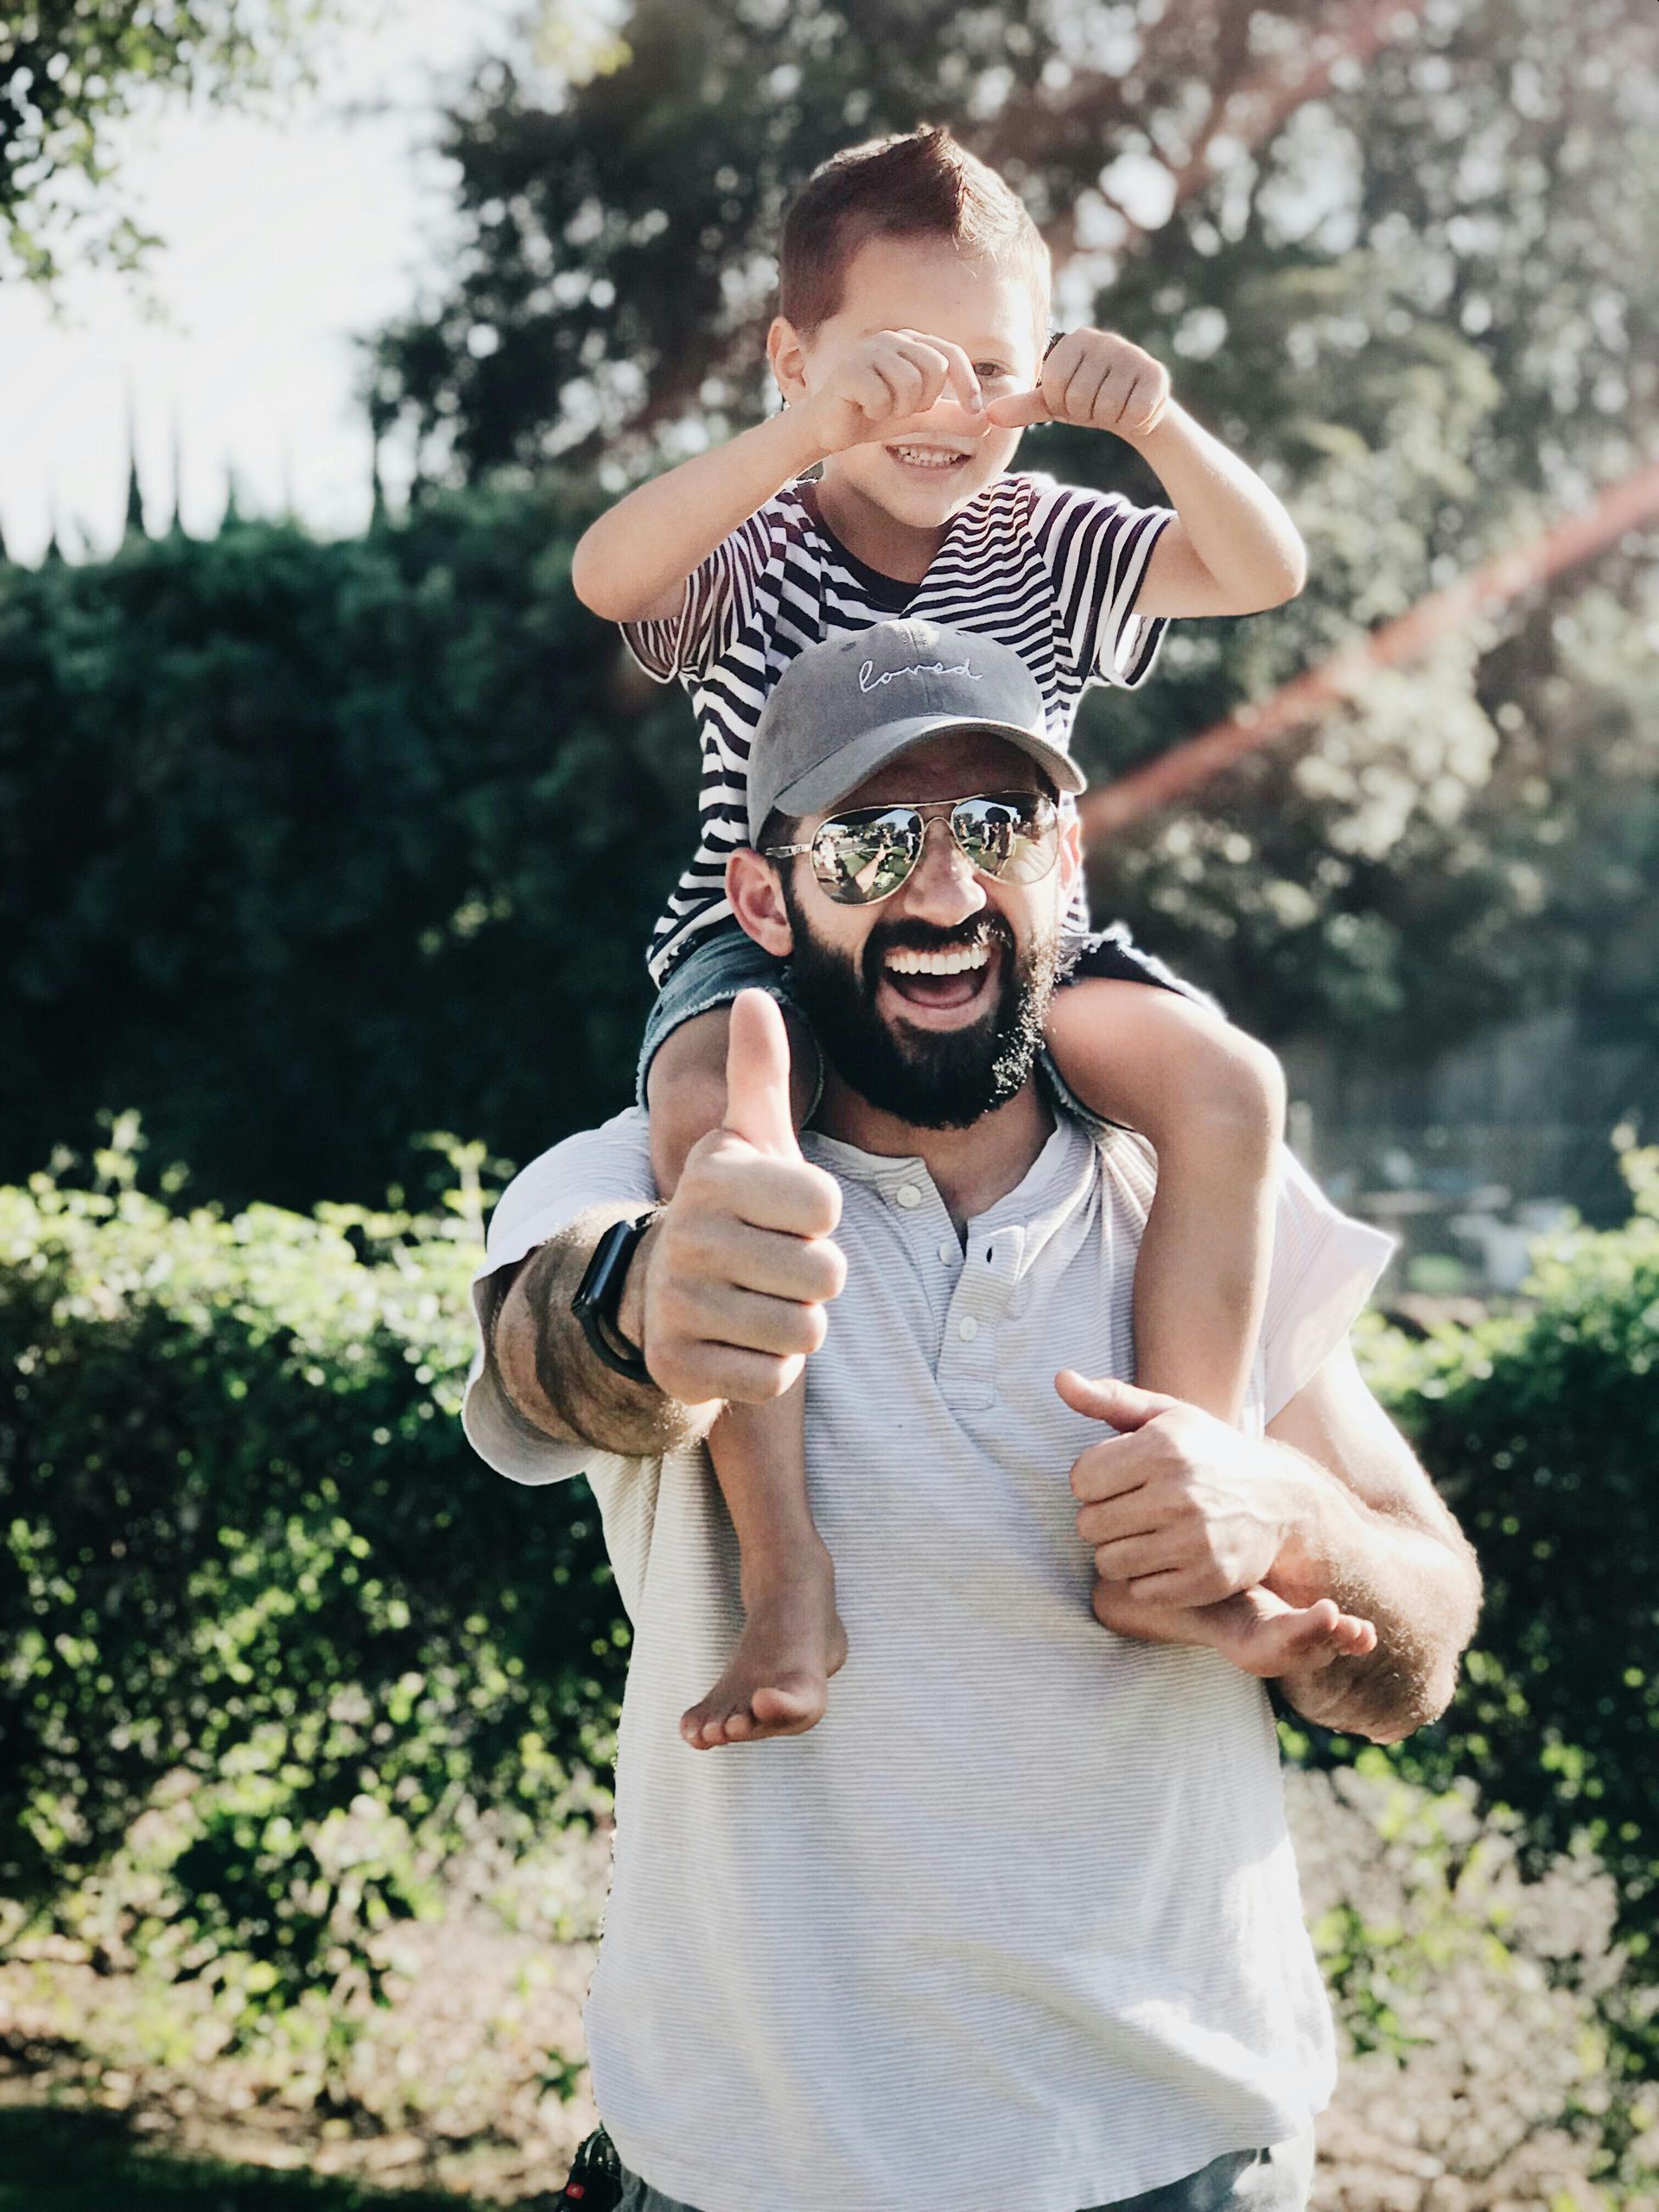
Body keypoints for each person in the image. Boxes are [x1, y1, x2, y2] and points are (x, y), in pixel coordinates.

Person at [463, 626, 1484, 2212]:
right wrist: (649, 1306)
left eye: (994, 830)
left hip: (1191, 2162)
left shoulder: (1201, 1192)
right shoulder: (652, 1182)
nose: (941, 891)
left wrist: (1294, 1526)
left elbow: (1428, 1633)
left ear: (1065, 864)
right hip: (760, 2177)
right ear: (765, 898)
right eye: (872, 842)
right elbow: (550, 1355)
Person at [570, 124, 1313, 1751]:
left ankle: (1169, 1511)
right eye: (894, 370)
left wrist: (1160, 422)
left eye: (991, 365)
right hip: (760, 947)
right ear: (797, 361)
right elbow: (606, 571)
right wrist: (792, 443)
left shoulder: (1045, 536)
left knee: (1228, 1085)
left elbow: (1266, 570)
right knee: (717, 1128)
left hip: (1012, 956)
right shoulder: (757, 542)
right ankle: (786, 1579)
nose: (945, 409)